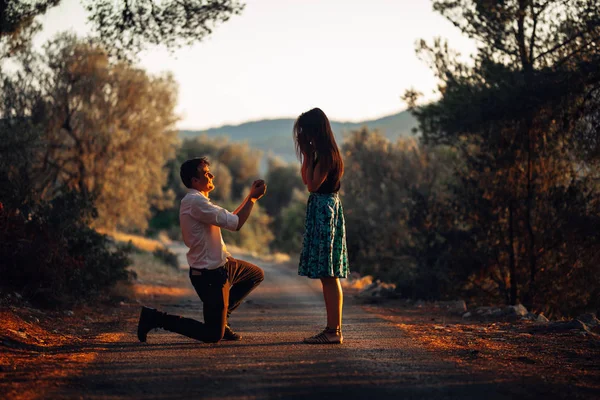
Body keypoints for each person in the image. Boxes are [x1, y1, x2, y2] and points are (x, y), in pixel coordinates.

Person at [137, 157, 266, 343]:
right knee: (213, 335)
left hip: (223, 266)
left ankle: (223, 318)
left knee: (255, 275)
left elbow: (231, 219)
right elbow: (236, 224)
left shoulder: (199, 201)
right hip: (209, 276)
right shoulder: (195, 202)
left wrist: (249, 197)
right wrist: (252, 198)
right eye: (206, 173)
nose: (211, 175)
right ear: (194, 181)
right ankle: (155, 318)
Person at [293, 108, 349, 344]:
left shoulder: (327, 155)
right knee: (328, 274)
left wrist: (308, 153)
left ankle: (333, 331)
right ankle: (332, 329)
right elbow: (307, 180)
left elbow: (313, 185)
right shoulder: (318, 154)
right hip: (321, 210)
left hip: (325, 211)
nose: (303, 136)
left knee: (329, 274)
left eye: (305, 131)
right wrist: (306, 156)